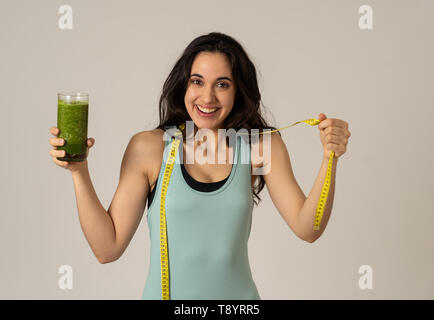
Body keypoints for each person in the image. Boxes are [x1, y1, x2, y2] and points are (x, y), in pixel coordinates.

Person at [48, 32, 351, 299]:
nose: (207, 97)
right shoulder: (150, 148)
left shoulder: (261, 146)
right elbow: (107, 249)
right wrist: (79, 171)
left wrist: (329, 158)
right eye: (197, 81)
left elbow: (307, 228)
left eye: (222, 84)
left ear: (238, 91)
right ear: (184, 85)